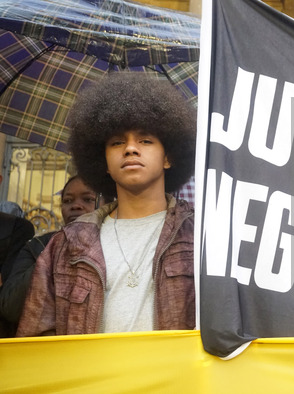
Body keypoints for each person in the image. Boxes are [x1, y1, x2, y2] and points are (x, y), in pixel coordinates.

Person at [16, 72, 196, 336]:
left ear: (168, 157)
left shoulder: (200, 236)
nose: (131, 149)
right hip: (89, 376)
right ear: (105, 165)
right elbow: (37, 338)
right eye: (117, 142)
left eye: (145, 140)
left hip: (177, 377)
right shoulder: (67, 244)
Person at [0, 175, 103, 337]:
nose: (76, 206)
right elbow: (11, 307)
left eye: (88, 199)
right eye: (68, 201)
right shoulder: (37, 247)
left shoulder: (115, 246)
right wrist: (54, 251)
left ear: (106, 204)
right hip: (51, 350)